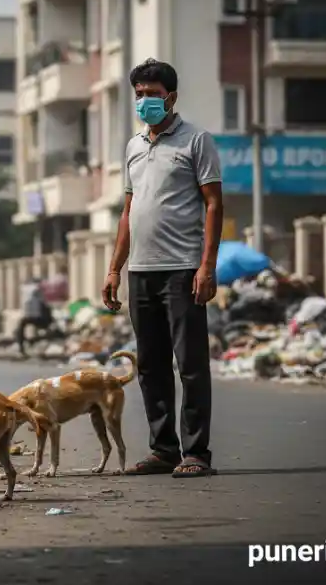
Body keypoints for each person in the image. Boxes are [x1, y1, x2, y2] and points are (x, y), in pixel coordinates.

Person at [102, 58, 223, 479]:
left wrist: (207, 266)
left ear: (171, 97)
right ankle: (164, 449)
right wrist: (114, 269)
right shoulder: (134, 146)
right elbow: (128, 211)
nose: (145, 101)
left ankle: (196, 452)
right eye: (139, 95)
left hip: (183, 269)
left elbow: (214, 203)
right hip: (141, 271)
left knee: (190, 365)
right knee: (151, 365)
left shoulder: (196, 140)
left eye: (152, 94)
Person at [16, 282, 55, 357]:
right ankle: (24, 347)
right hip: (38, 318)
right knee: (21, 328)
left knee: (22, 328)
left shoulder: (39, 298)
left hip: (41, 319)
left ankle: (26, 346)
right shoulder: (39, 297)